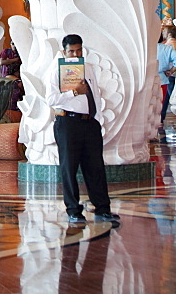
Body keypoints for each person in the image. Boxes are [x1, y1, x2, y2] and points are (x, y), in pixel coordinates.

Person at [46, 33, 120, 227]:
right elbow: (51, 99)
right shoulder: (56, 70)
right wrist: (73, 92)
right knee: (69, 167)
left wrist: (97, 119)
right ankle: (73, 210)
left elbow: (95, 94)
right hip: (68, 123)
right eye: (71, 51)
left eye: (79, 50)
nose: (75, 54)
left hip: (90, 123)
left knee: (95, 166)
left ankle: (103, 208)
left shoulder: (88, 68)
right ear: (64, 52)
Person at [158, 26, 176, 124]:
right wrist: (171, 71)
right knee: (162, 103)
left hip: (146, 79)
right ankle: (160, 122)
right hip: (162, 79)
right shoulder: (166, 49)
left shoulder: (146, 48)